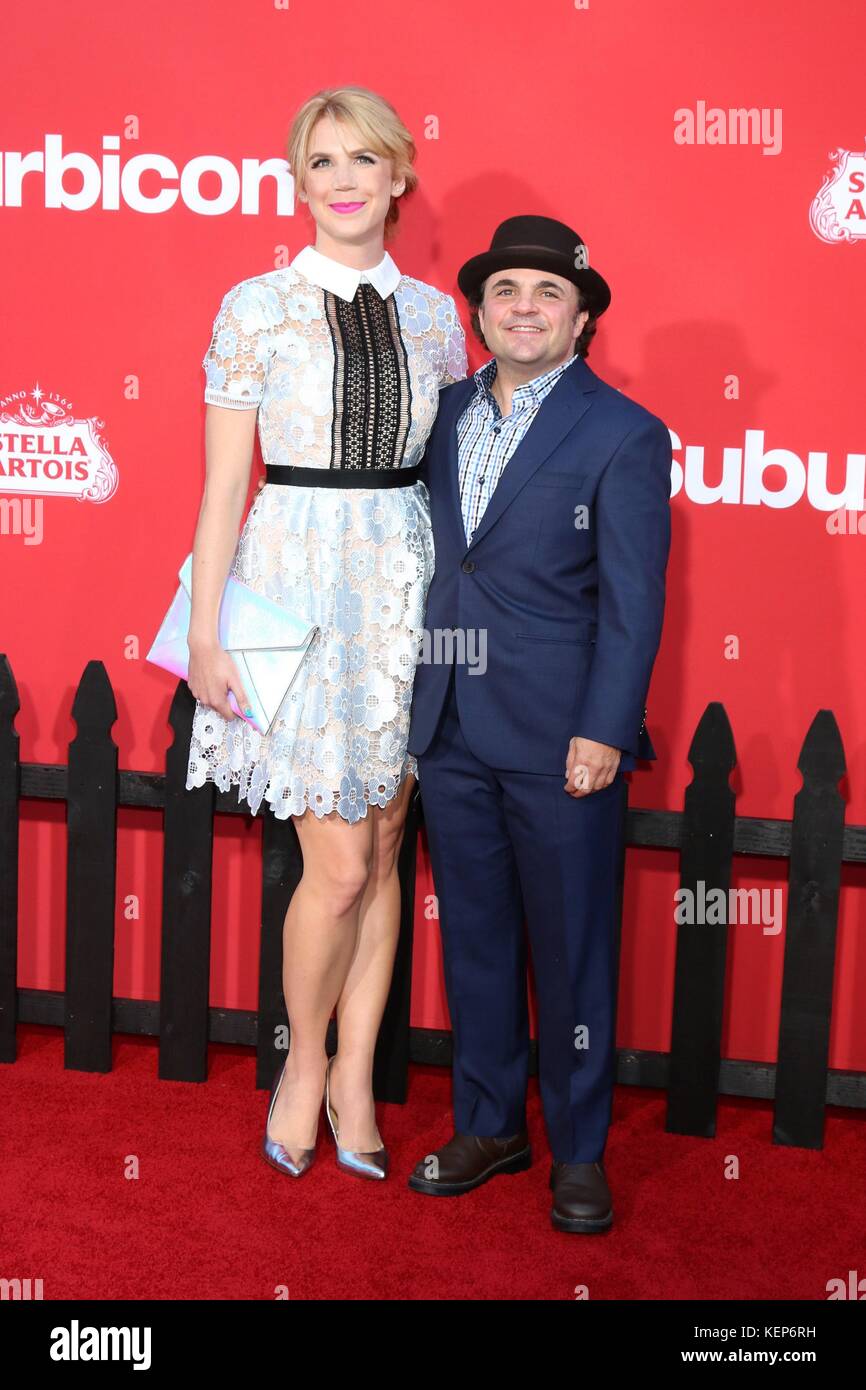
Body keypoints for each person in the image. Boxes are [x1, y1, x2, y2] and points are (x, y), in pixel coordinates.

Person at [184, 86, 467, 1182]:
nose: (343, 178)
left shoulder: (441, 318)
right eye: (320, 161)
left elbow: (450, 479)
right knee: (337, 862)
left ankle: (356, 1073)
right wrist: (208, 634)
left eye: (363, 158)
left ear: (398, 176)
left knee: (389, 843)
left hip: (401, 585)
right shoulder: (253, 306)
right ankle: (301, 1063)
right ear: (297, 183)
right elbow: (220, 490)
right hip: (288, 581)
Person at [405, 215, 672, 1232]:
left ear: (582, 316)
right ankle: (488, 1123)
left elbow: (633, 600)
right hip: (451, 721)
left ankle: (579, 1149)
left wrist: (604, 728)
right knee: (473, 940)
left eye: (547, 292)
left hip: (564, 736)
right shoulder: (441, 416)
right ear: (477, 311)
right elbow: (436, 566)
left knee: (569, 953)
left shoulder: (622, 433)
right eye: (505, 289)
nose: (523, 306)